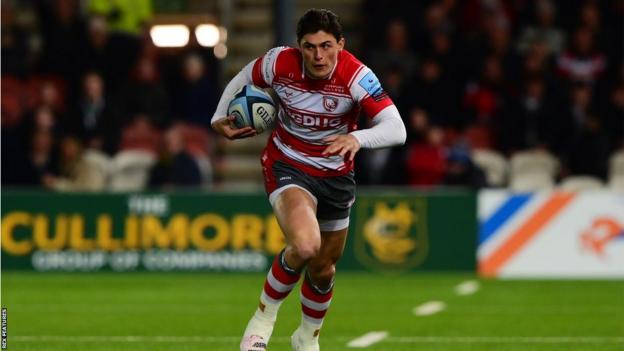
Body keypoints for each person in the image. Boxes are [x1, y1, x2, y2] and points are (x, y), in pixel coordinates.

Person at [211, 9, 406, 351]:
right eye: (309, 46)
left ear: (340, 45)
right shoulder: (279, 63)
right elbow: (245, 74)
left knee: (323, 270)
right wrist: (218, 116)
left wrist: (358, 138)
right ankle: (261, 323)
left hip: (336, 176)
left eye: (326, 46)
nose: (318, 55)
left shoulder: (356, 76)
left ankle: (306, 337)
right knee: (305, 245)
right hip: (288, 164)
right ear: (299, 46)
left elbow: (397, 129)